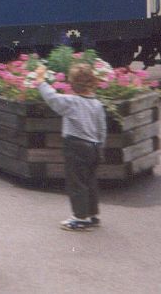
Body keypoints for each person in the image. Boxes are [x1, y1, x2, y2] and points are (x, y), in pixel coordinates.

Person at [34, 63, 106, 231]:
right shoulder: (97, 104)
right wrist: (101, 147)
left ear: (72, 84)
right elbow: (102, 129)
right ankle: (92, 214)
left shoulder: (72, 102)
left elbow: (52, 98)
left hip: (76, 146)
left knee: (77, 183)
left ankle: (80, 218)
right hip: (94, 146)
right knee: (90, 181)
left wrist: (41, 81)